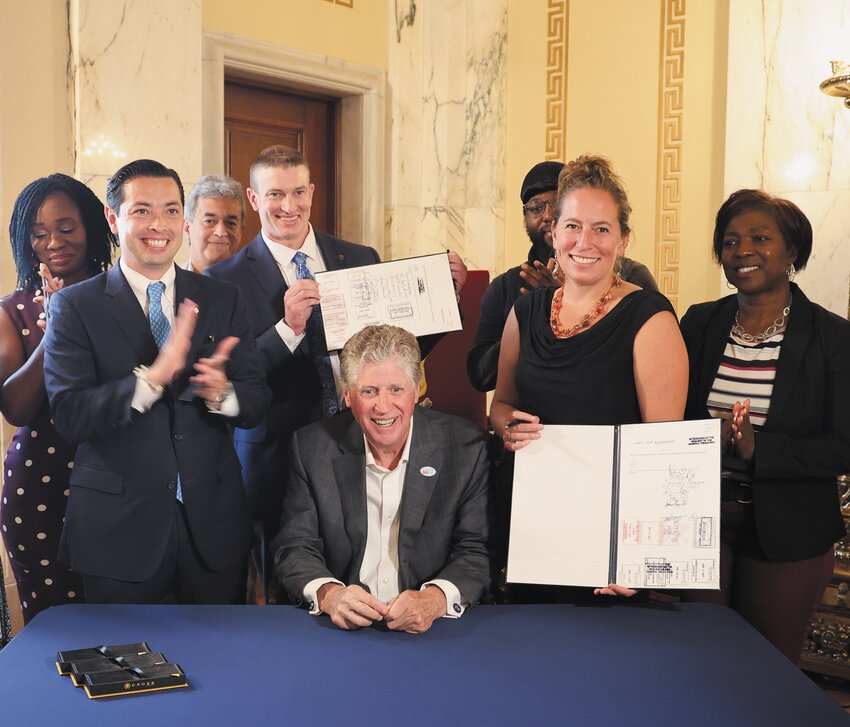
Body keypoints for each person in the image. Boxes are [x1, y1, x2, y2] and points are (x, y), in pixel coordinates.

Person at [206, 146, 467, 574]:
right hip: (276, 456)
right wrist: (287, 329)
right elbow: (232, 378)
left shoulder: (360, 258)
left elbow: (393, 352)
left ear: (311, 191)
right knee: (287, 585)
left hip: (361, 443)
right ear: (254, 199)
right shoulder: (222, 281)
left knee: (365, 574)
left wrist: (443, 300)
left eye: (297, 193)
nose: (288, 206)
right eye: (274, 195)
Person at [42, 159, 270, 605]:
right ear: (114, 218)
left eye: (170, 211)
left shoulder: (222, 297)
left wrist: (221, 393)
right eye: (142, 211)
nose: (158, 226)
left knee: (220, 664)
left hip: (214, 529)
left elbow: (258, 400)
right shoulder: (74, 306)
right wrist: (151, 380)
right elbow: (68, 416)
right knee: (127, 668)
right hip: (117, 531)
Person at [489, 155, 688, 600]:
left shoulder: (649, 317)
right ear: (554, 233)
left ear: (622, 241)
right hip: (530, 522)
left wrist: (638, 557)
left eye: (602, 229)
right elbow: (500, 406)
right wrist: (509, 429)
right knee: (527, 656)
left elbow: (665, 455)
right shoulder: (525, 312)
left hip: (609, 535)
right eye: (574, 226)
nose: (586, 241)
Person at [679, 189, 849, 663]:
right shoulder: (699, 323)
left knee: (766, 668)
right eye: (730, 242)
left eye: (759, 238)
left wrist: (759, 451)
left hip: (789, 526)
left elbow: (843, 446)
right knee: (702, 659)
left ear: (792, 250)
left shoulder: (833, 337)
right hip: (700, 520)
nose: (742, 251)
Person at [272, 324, 493, 632]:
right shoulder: (311, 448)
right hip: (340, 629)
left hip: (433, 627)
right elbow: (295, 546)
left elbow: (476, 550)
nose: (383, 406)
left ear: (416, 391)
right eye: (369, 391)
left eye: (396, 389)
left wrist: (434, 600)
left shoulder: (466, 448)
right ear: (348, 396)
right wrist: (329, 594)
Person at [1, 174, 117, 623]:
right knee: (55, 632)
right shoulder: (14, 309)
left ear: (91, 226)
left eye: (67, 229)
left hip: (122, 486)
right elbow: (16, 408)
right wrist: (55, 333)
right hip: (40, 490)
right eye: (39, 233)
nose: (53, 242)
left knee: (127, 629)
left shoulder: (124, 296)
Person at [467, 160, 658, 392]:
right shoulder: (506, 286)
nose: (546, 216)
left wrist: (572, 301)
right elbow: (480, 377)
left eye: (555, 205)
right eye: (536, 208)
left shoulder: (632, 277)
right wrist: (534, 312)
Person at [183, 174, 245, 273]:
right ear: (187, 228)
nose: (221, 232)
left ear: (241, 231)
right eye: (209, 221)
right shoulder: (167, 282)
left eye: (230, 223)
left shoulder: (256, 286)